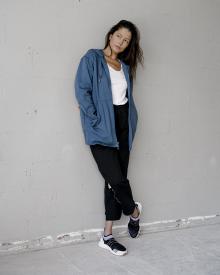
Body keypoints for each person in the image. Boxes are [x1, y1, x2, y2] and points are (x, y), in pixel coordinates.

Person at [74, 19, 144, 256]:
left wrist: (131, 120)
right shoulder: (92, 59)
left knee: (113, 182)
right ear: (111, 34)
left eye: (126, 41)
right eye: (119, 37)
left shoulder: (124, 66)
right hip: (102, 126)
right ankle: (134, 212)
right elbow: (82, 90)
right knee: (115, 179)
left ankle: (107, 236)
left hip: (124, 124)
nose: (121, 43)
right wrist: (94, 119)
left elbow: (125, 97)